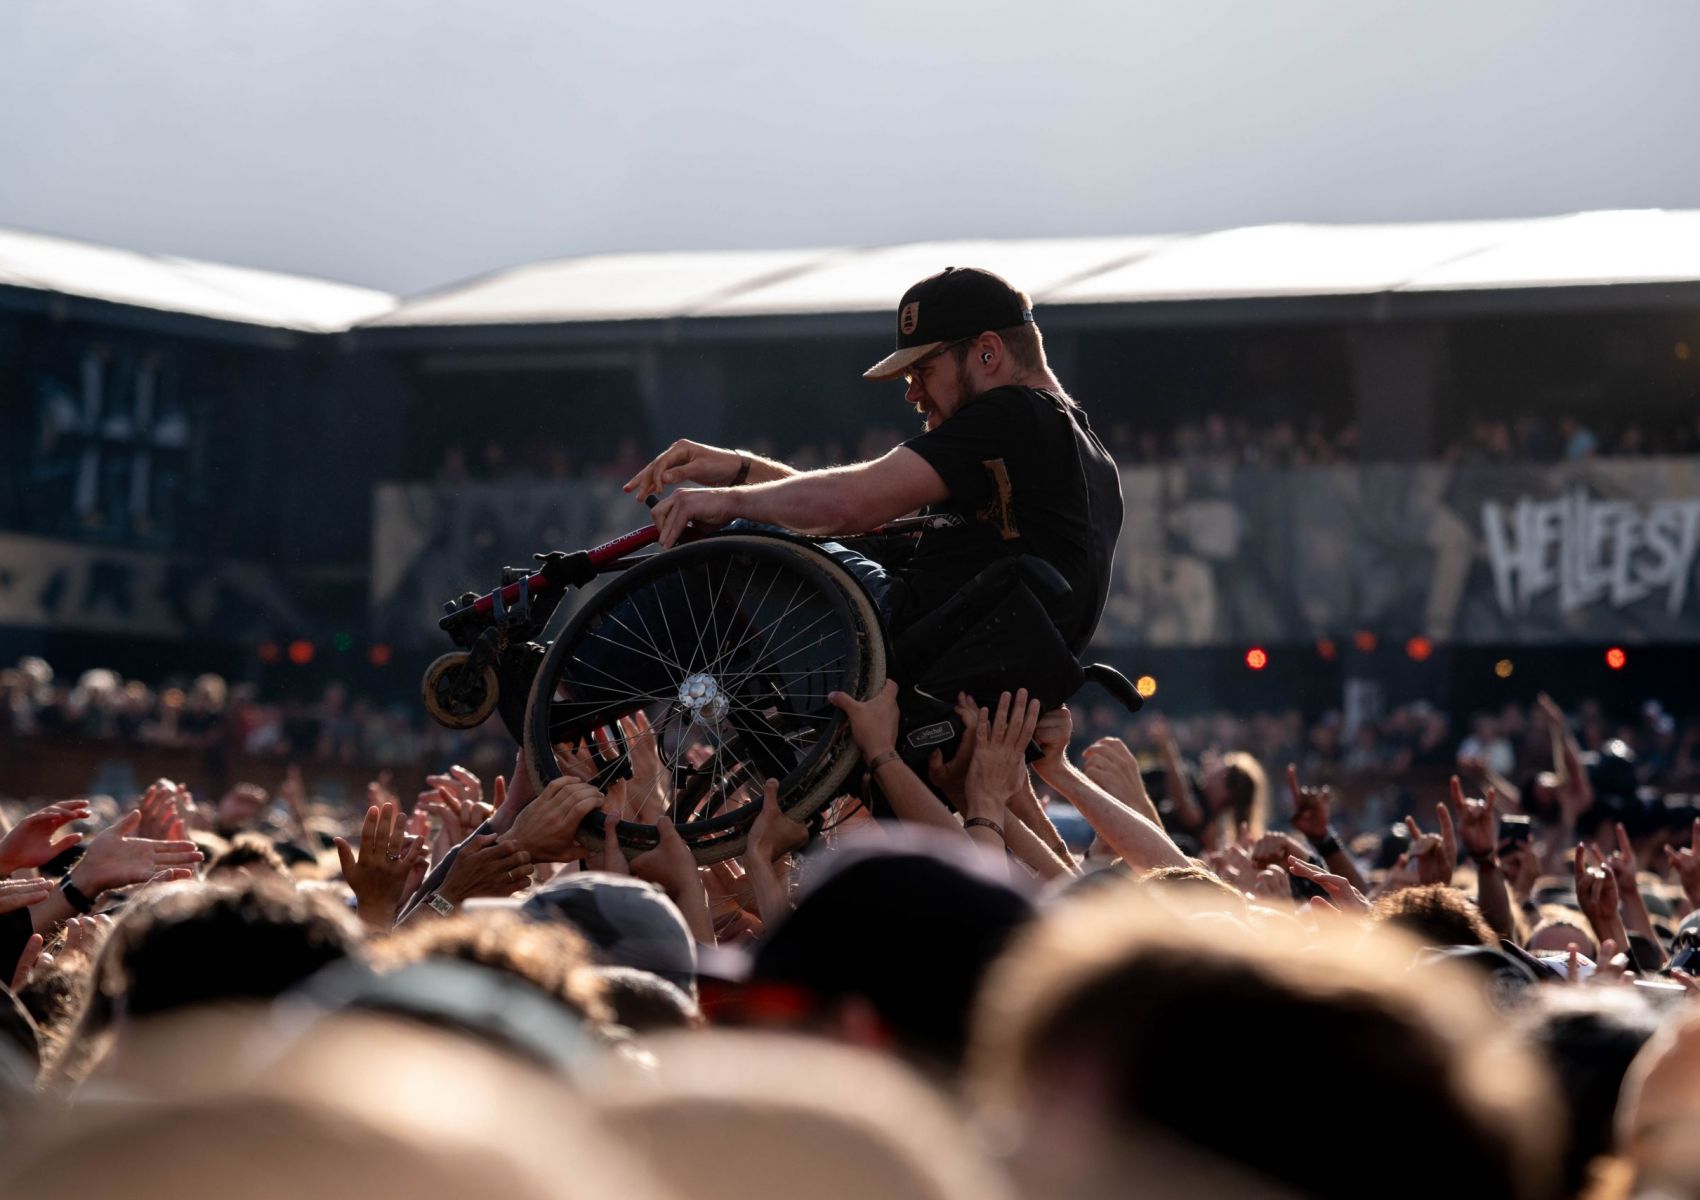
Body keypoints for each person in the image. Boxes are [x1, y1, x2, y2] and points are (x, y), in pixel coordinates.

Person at [625, 266, 1123, 655]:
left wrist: (728, 501)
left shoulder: (1010, 413)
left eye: (923, 370)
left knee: (724, 546)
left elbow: (850, 504)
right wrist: (744, 471)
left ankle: (567, 698)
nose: (913, 394)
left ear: (987, 354)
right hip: (960, 648)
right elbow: (862, 520)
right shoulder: (1075, 448)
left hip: (912, 635)